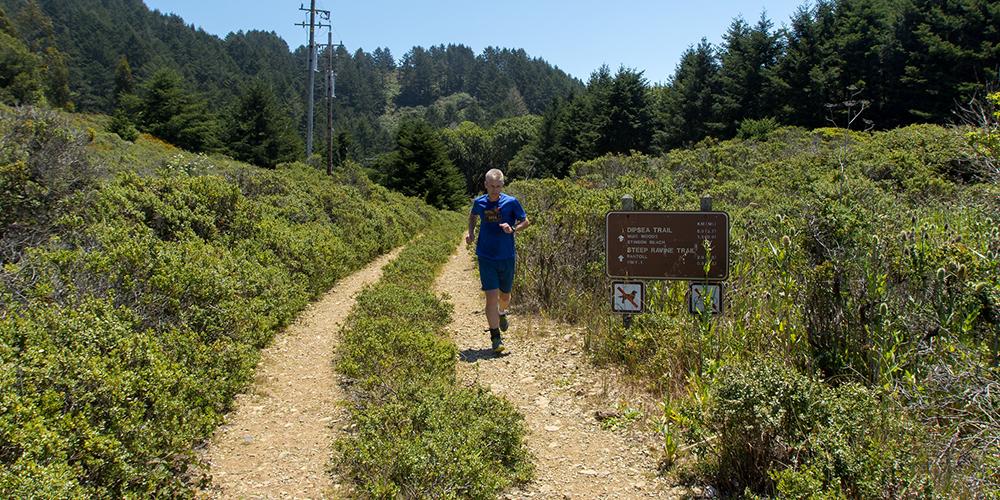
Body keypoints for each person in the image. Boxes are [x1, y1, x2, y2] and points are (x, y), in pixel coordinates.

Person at [467, 168, 530, 353]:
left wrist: (513, 228)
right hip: (486, 255)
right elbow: (472, 216)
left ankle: (502, 312)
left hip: (506, 256)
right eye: (491, 186)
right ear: (485, 185)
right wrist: (471, 233)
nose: (495, 190)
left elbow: (525, 221)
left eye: (498, 186)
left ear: (503, 185)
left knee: (505, 296)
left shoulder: (511, 202)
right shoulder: (479, 202)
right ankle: (496, 339)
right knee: (491, 298)